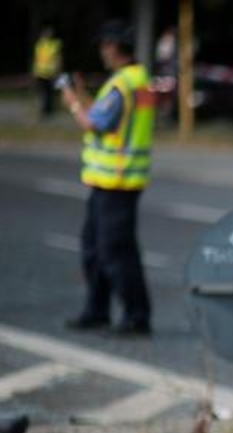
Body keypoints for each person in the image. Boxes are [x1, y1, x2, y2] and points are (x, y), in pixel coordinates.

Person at [60, 20, 154, 337]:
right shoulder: (133, 80)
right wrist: (84, 95)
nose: (102, 50)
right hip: (109, 181)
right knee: (95, 248)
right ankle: (97, 310)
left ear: (115, 47)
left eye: (104, 45)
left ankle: (136, 316)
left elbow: (94, 124)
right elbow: (106, 116)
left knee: (116, 251)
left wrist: (72, 101)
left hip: (118, 182)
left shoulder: (123, 84)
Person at [32, 24, 62, 119]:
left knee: (49, 93)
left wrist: (58, 70)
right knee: (42, 93)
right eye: (46, 32)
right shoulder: (39, 45)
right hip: (40, 73)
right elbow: (36, 59)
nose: (48, 34)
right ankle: (44, 111)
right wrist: (34, 71)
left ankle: (48, 111)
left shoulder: (55, 44)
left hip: (51, 73)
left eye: (50, 33)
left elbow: (58, 58)